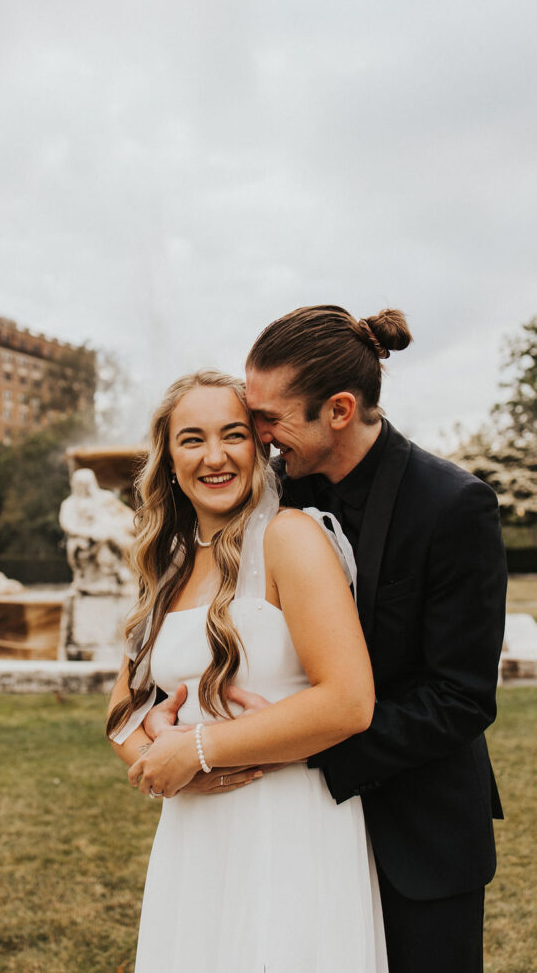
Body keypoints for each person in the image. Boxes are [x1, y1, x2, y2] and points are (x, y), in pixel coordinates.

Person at [240, 305, 506, 973]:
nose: (257, 436)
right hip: (296, 835)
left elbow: (459, 698)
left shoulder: (452, 506)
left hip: (419, 836)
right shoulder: (266, 496)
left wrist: (297, 743)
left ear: (336, 409)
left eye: (269, 418)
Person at [107, 369, 389, 972]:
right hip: (194, 829)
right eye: (192, 439)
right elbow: (120, 712)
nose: (215, 457)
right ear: (168, 455)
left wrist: (200, 748)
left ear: (259, 445)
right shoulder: (167, 561)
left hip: (286, 821)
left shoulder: (292, 539)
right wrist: (161, 768)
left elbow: (349, 701)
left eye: (233, 435)